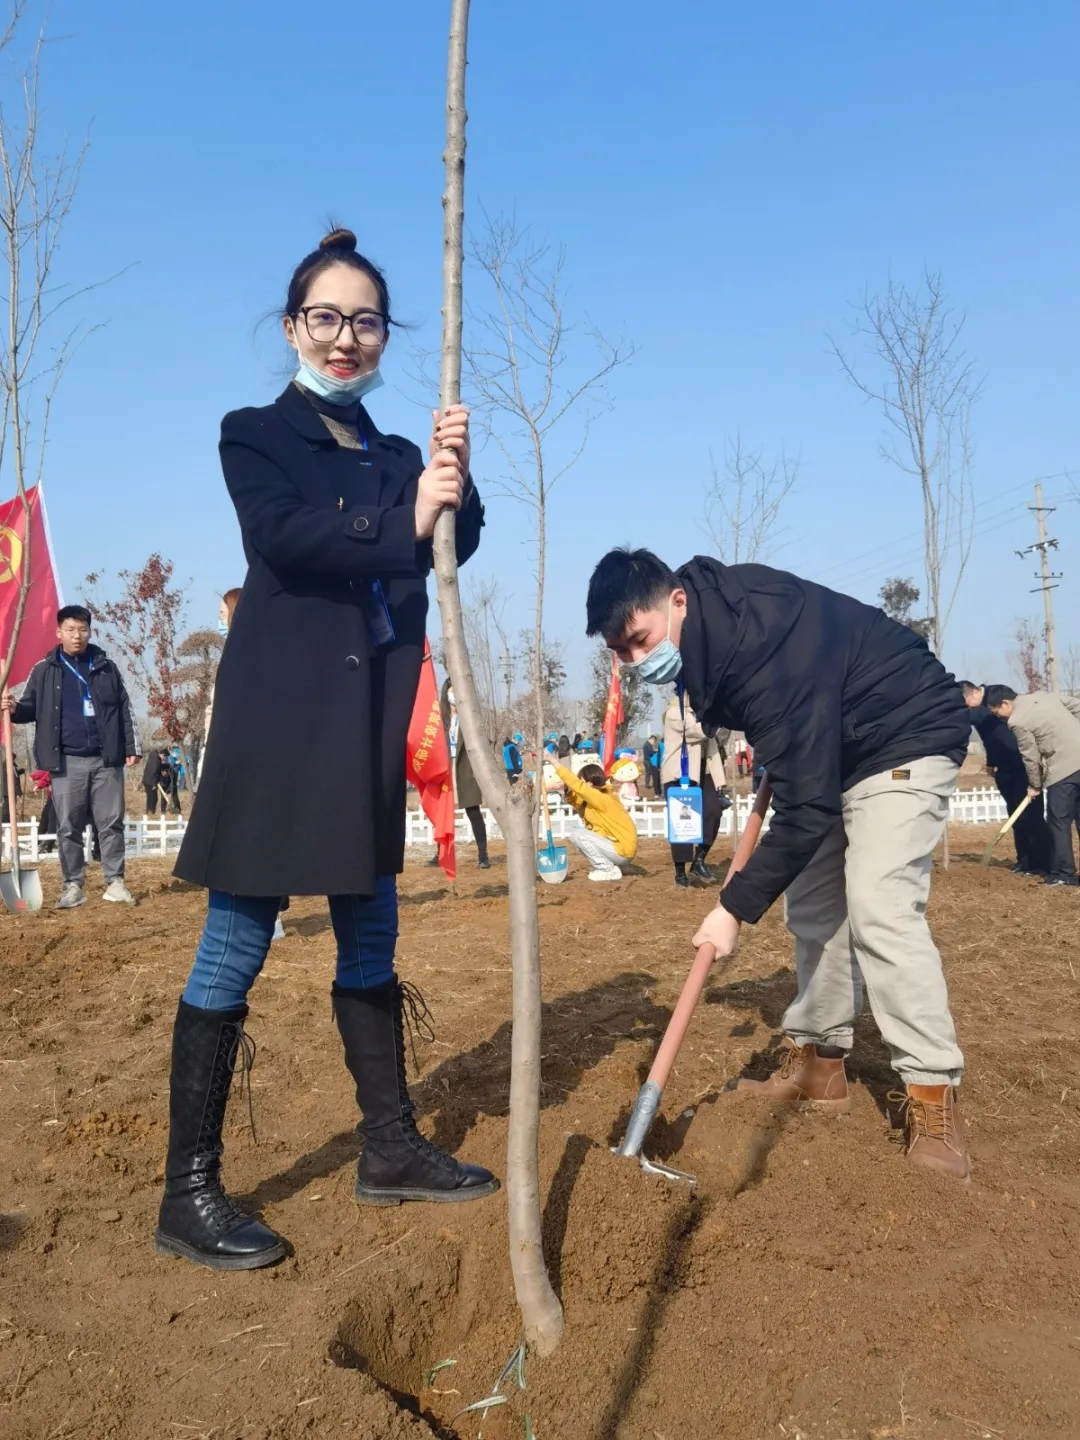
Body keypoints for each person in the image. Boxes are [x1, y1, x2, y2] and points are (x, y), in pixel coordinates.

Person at [157, 227, 495, 1274]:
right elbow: (288, 537)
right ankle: (188, 1192)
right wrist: (406, 513)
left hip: (367, 725)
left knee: (371, 934)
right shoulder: (254, 434)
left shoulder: (397, 456)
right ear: (293, 326)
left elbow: (451, 539)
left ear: (386, 335)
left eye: (366, 321)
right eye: (326, 317)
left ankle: (388, 1146)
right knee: (236, 940)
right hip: (281, 725)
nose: (346, 337)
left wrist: (454, 475)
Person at [586, 547, 973, 1181]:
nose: (634, 660)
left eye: (640, 640)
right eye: (619, 651)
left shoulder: (759, 643)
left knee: (878, 905)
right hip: (834, 745)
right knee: (814, 905)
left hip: (904, 731)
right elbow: (799, 761)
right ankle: (820, 1063)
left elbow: (807, 807)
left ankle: (933, 1093)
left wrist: (732, 909)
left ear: (676, 601)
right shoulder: (709, 635)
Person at [2, 604, 139, 908]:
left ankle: (115, 882)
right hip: (66, 761)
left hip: (107, 759)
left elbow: (125, 709)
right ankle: (73, 885)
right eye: (71, 629)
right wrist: (13, 708)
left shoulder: (106, 666)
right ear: (59, 632)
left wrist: (131, 747)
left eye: (83, 630)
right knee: (67, 826)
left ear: (90, 632)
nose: (77, 636)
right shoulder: (45, 669)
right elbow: (29, 708)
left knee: (111, 822)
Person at [983, 685, 1080, 887]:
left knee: (1058, 821)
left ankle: (1064, 873)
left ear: (1005, 703)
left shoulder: (1018, 721)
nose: (997, 716)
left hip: (1063, 769)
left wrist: (1034, 784)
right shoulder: (1045, 696)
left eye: (996, 711)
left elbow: (1030, 757)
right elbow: (1078, 706)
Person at [961, 682, 1051, 876]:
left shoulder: (994, 698)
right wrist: (991, 761)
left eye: (966, 703)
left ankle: (1043, 862)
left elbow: (986, 721)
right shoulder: (982, 710)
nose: (967, 708)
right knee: (1015, 815)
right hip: (1003, 767)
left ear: (975, 693)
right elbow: (992, 738)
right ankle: (1024, 860)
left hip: (1022, 765)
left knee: (1031, 816)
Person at [660, 693, 729, 888]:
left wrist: (726, 718)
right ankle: (680, 872)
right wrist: (719, 718)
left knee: (713, 812)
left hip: (704, 770)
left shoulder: (705, 712)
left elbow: (719, 738)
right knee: (683, 822)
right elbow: (695, 731)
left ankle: (699, 859)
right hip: (680, 772)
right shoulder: (675, 712)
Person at [554, 760, 638, 881]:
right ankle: (617, 866)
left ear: (589, 782)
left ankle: (607, 869)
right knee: (581, 839)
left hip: (622, 850)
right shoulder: (593, 799)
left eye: (581, 781)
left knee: (578, 835)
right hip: (620, 849)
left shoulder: (601, 797)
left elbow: (579, 787)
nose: (579, 785)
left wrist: (553, 761)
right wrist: (567, 788)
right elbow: (577, 802)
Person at [439, 678, 489, 869]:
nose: (454, 695)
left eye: (456, 691)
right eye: (451, 691)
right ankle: (440, 854)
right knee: (442, 813)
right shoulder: (441, 719)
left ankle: (483, 855)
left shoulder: (468, 717)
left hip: (465, 768)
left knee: (473, 810)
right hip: (445, 767)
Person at [143, 749, 172, 815]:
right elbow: (154, 772)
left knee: (153, 798)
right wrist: (154, 784)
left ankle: (151, 811)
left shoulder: (155, 758)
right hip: (150, 781)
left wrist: (167, 767)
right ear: (162, 755)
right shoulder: (156, 761)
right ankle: (150, 812)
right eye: (165, 757)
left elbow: (159, 767)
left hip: (149, 780)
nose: (164, 759)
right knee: (152, 798)